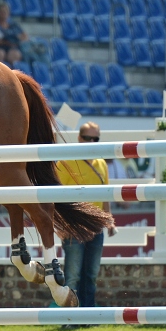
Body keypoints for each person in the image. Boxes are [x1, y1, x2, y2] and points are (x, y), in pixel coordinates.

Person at [55, 122, 115, 310]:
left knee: (90, 274)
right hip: (74, 225)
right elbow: (56, 197)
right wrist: (61, 225)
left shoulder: (102, 163)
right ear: (79, 138)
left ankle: (87, 313)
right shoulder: (66, 163)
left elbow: (106, 193)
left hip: (96, 225)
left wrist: (109, 220)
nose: (92, 142)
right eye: (88, 138)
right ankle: (71, 315)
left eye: (95, 139)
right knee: (73, 274)